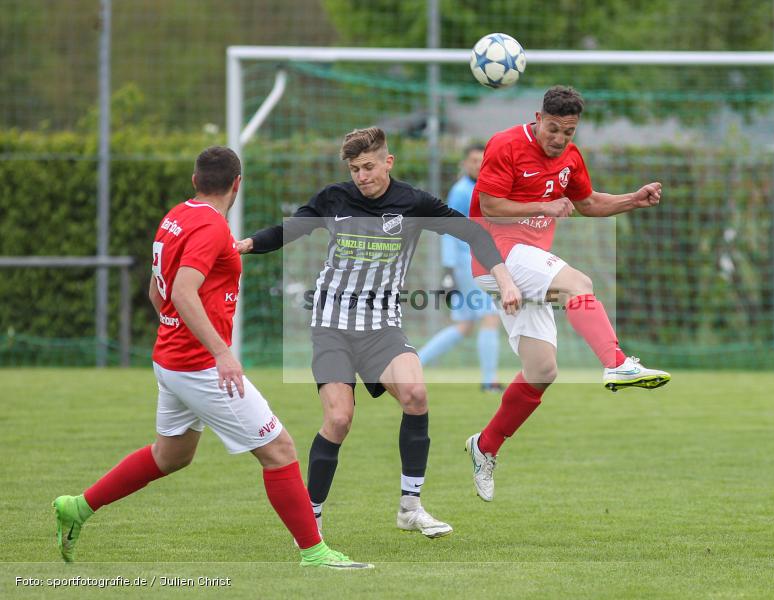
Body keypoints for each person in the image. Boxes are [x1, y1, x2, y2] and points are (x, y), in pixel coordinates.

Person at [52, 147, 370, 569]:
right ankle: (315, 553)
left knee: (171, 456)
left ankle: (77, 507)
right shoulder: (212, 227)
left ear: (195, 180)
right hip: (199, 366)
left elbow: (158, 289)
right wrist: (221, 353)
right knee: (280, 449)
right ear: (237, 184)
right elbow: (182, 290)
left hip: (172, 359)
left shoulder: (176, 216)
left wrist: (174, 327)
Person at [237, 127, 521, 538]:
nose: (361, 176)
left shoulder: (413, 202)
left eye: (368, 166)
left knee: (416, 395)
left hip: (382, 327)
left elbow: (474, 233)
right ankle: (311, 518)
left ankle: (410, 508)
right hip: (333, 326)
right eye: (354, 169)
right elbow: (290, 229)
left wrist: (504, 280)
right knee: (339, 419)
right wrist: (246, 244)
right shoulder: (334, 198)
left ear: (388, 162)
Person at [464, 86, 671, 502]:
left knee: (542, 370)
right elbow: (490, 206)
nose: (559, 139)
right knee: (580, 283)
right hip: (497, 255)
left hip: (527, 263)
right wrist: (543, 207)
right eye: (553, 129)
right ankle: (617, 364)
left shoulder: (571, 158)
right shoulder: (505, 145)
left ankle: (484, 447)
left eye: (569, 132)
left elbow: (587, 203)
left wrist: (632, 200)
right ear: (538, 118)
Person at [417, 143, 504, 392]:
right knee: (490, 316)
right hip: (469, 263)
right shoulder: (462, 191)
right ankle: (489, 381)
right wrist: (449, 269)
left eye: (482, 161)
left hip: (473, 262)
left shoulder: (483, 188)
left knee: (464, 326)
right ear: (464, 164)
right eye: (473, 160)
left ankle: (412, 365)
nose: (478, 165)